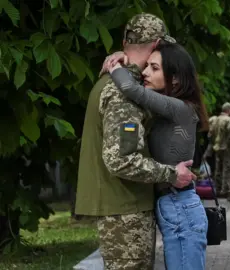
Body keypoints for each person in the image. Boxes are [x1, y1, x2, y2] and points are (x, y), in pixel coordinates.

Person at [75, 13, 196, 270]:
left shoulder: (113, 81)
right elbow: (121, 160)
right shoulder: (123, 93)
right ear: (156, 45)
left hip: (121, 208)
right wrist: (171, 174)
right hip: (126, 211)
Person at [104, 41, 210, 269]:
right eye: (146, 66)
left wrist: (115, 66)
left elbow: (131, 90)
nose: (144, 72)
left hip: (179, 203)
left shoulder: (180, 108)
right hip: (175, 203)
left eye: (154, 68)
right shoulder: (169, 109)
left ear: (175, 79)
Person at [211, 102, 230, 197]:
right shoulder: (229, 120)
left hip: (216, 147)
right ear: (228, 110)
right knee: (227, 169)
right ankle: (224, 190)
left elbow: (210, 134)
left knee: (217, 168)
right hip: (226, 148)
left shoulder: (215, 119)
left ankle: (217, 189)